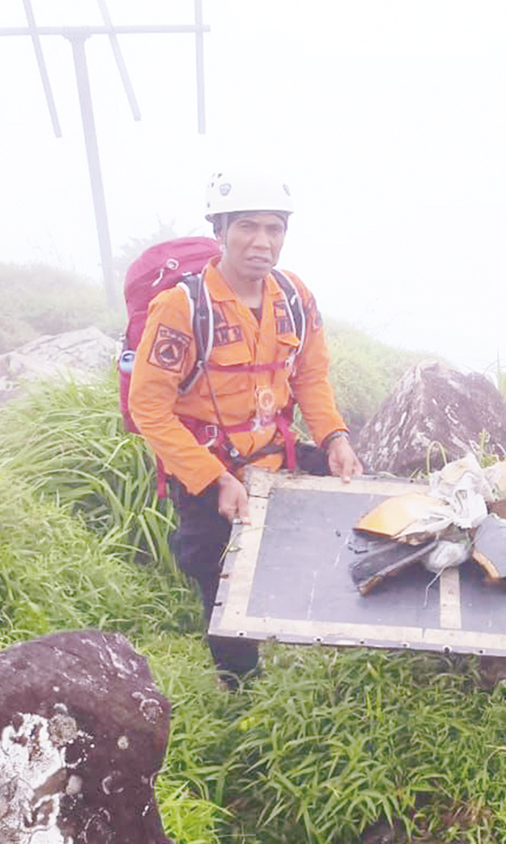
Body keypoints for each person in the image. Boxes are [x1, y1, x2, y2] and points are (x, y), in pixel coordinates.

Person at [129, 171, 361, 688]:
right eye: (248, 227)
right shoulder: (182, 308)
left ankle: (317, 641)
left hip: (275, 456)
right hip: (209, 469)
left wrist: (334, 439)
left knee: (350, 514)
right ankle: (239, 691)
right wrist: (214, 480)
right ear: (220, 229)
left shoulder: (294, 297)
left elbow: (310, 376)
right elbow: (150, 409)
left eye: (274, 228)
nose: (262, 242)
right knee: (220, 581)